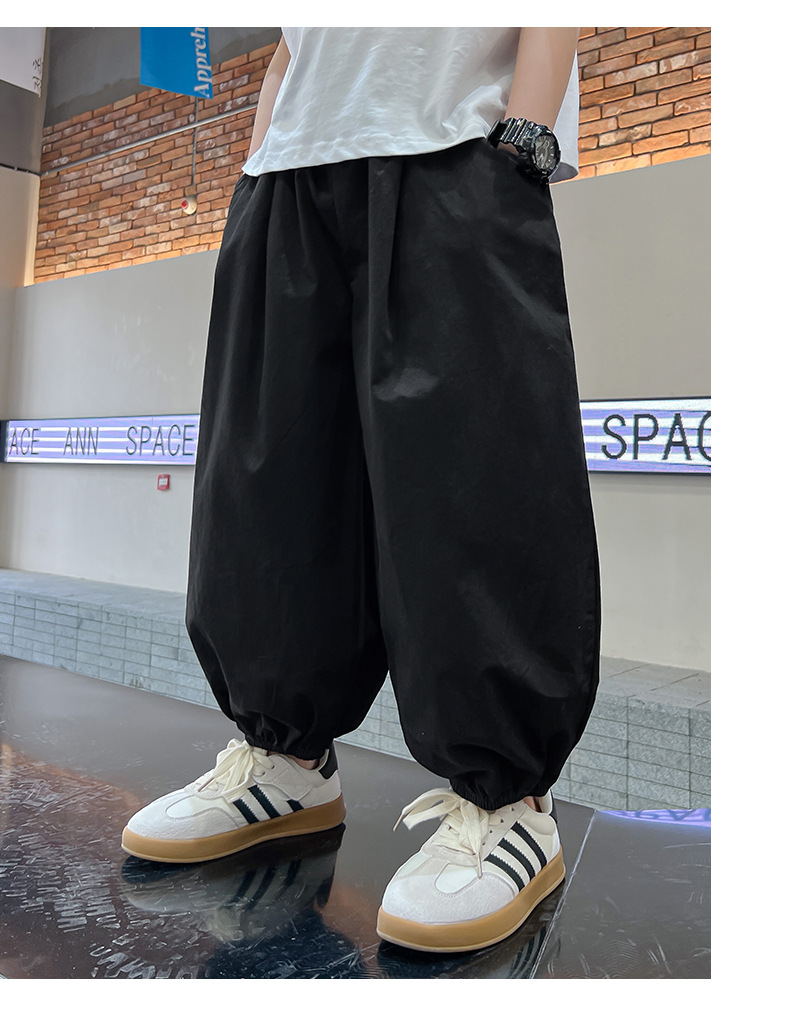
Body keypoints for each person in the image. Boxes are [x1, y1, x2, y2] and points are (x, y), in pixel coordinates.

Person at [121, 27, 601, 954]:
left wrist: (526, 138)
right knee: (270, 479)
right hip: (291, 173)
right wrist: (258, 163)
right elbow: (291, 42)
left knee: (471, 476)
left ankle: (509, 802)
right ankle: (286, 759)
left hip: (453, 148)